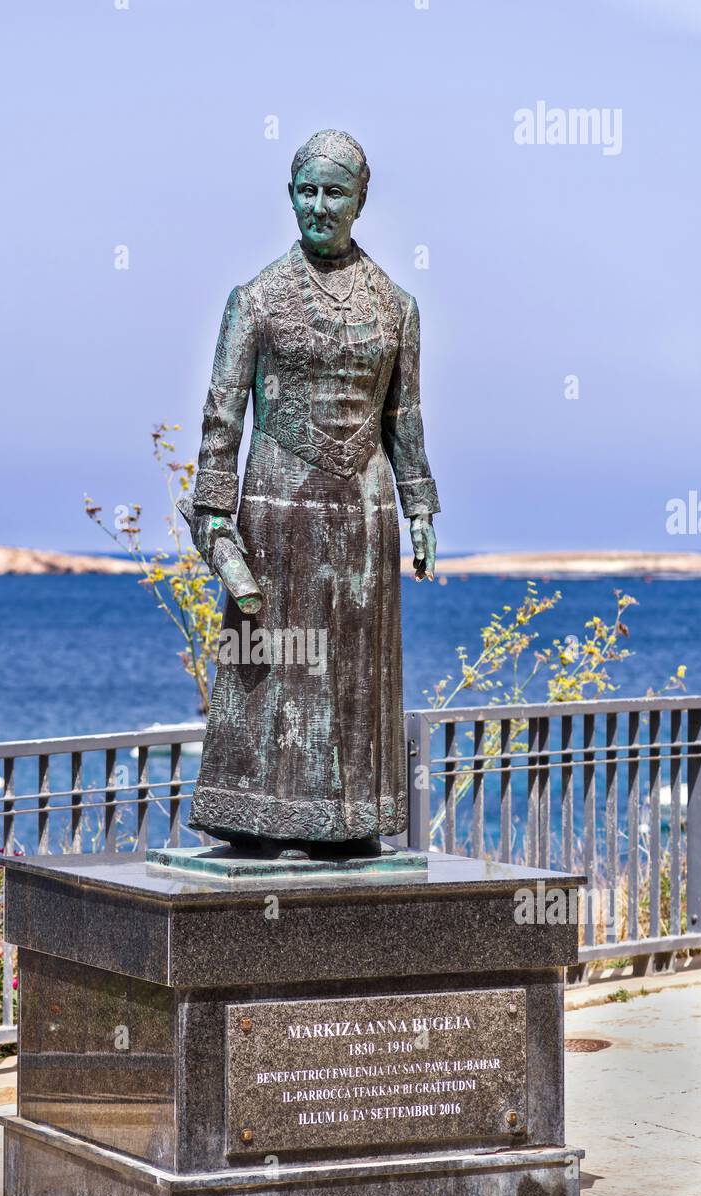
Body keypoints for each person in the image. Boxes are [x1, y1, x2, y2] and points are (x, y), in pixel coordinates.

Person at [187, 130, 440, 860]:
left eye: (334, 192)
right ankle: (253, 816)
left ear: (361, 200)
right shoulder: (256, 300)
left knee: (351, 679)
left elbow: (404, 417)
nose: (318, 206)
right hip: (272, 516)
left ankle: (348, 818)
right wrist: (213, 516)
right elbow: (220, 416)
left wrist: (418, 504)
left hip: (363, 516)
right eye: (307, 191)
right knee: (267, 671)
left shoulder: (397, 307)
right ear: (289, 195)